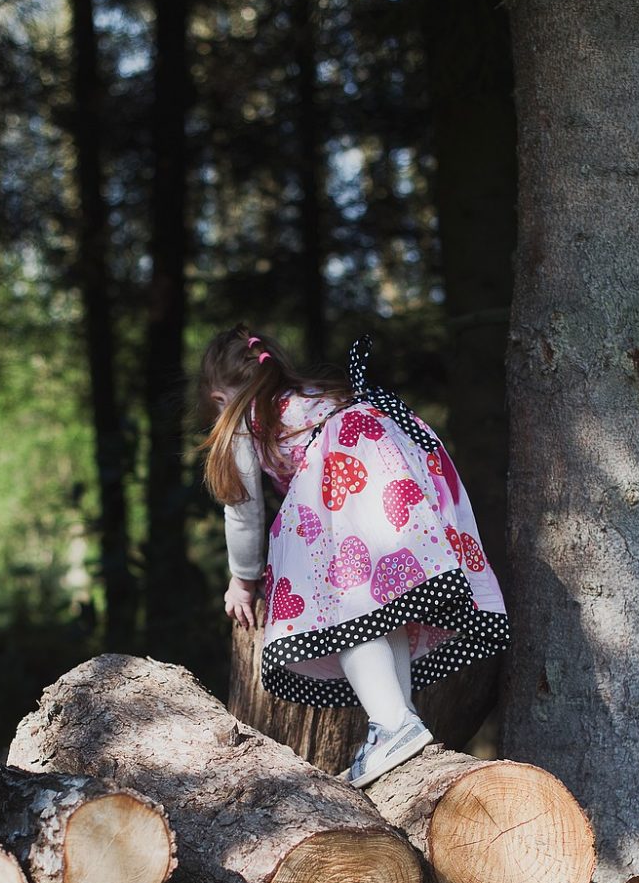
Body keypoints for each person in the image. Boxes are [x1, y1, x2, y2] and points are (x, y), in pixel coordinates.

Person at [198, 325, 510, 789]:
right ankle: (400, 719)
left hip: (348, 490)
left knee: (336, 613)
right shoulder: (315, 397)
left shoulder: (246, 419)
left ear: (220, 398)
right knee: (382, 611)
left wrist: (242, 580)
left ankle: (392, 724)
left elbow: (242, 510)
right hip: (397, 483)